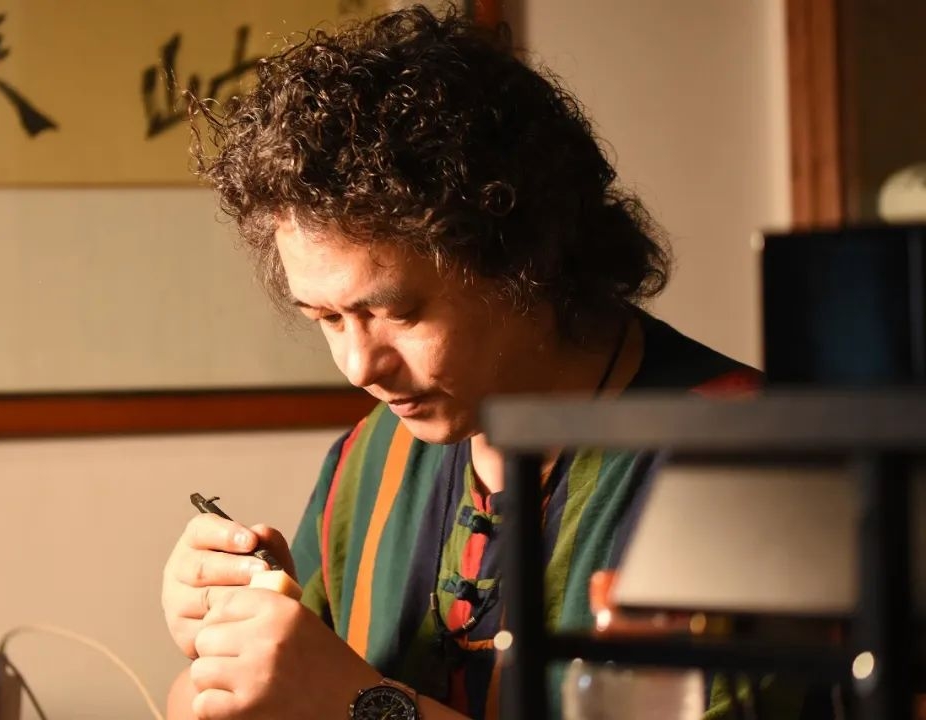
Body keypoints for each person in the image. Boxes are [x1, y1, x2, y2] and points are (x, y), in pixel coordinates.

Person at [160, 5, 779, 719]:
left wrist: (363, 704)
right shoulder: (371, 461)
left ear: (525, 262)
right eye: (326, 319)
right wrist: (220, 652)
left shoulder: (749, 463)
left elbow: (334, 698)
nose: (358, 366)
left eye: (398, 312)